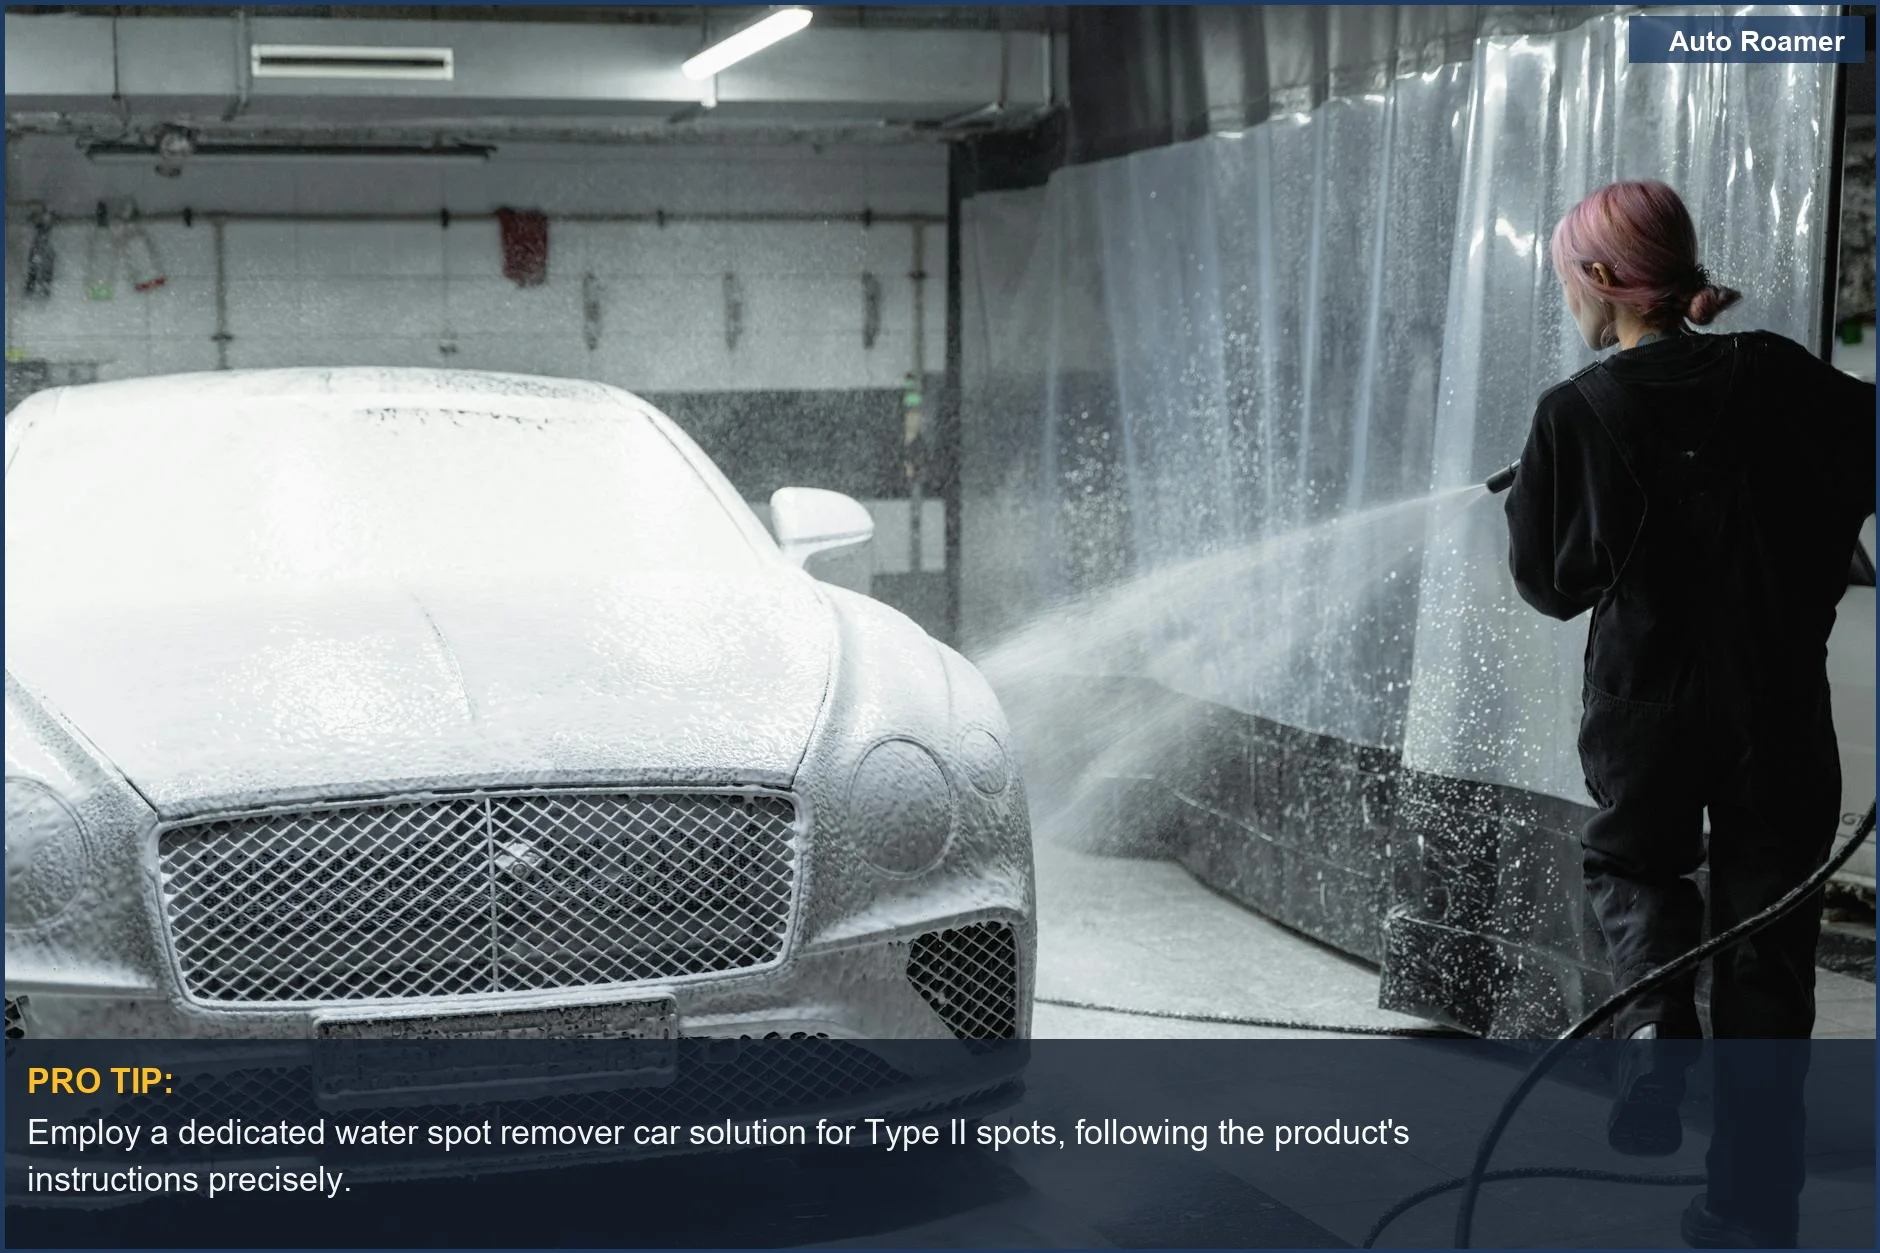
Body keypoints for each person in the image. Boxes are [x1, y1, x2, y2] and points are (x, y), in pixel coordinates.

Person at [1503, 179, 1875, 1248]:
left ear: (1605, 282)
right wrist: (1706, 357)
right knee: (1766, 956)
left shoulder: (1574, 411)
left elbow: (1550, 583)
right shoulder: (1776, 374)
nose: (1565, 299)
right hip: (1779, 712)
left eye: (1570, 278)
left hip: (1645, 708)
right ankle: (1750, 1209)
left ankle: (1654, 1027)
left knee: (1631, 869)